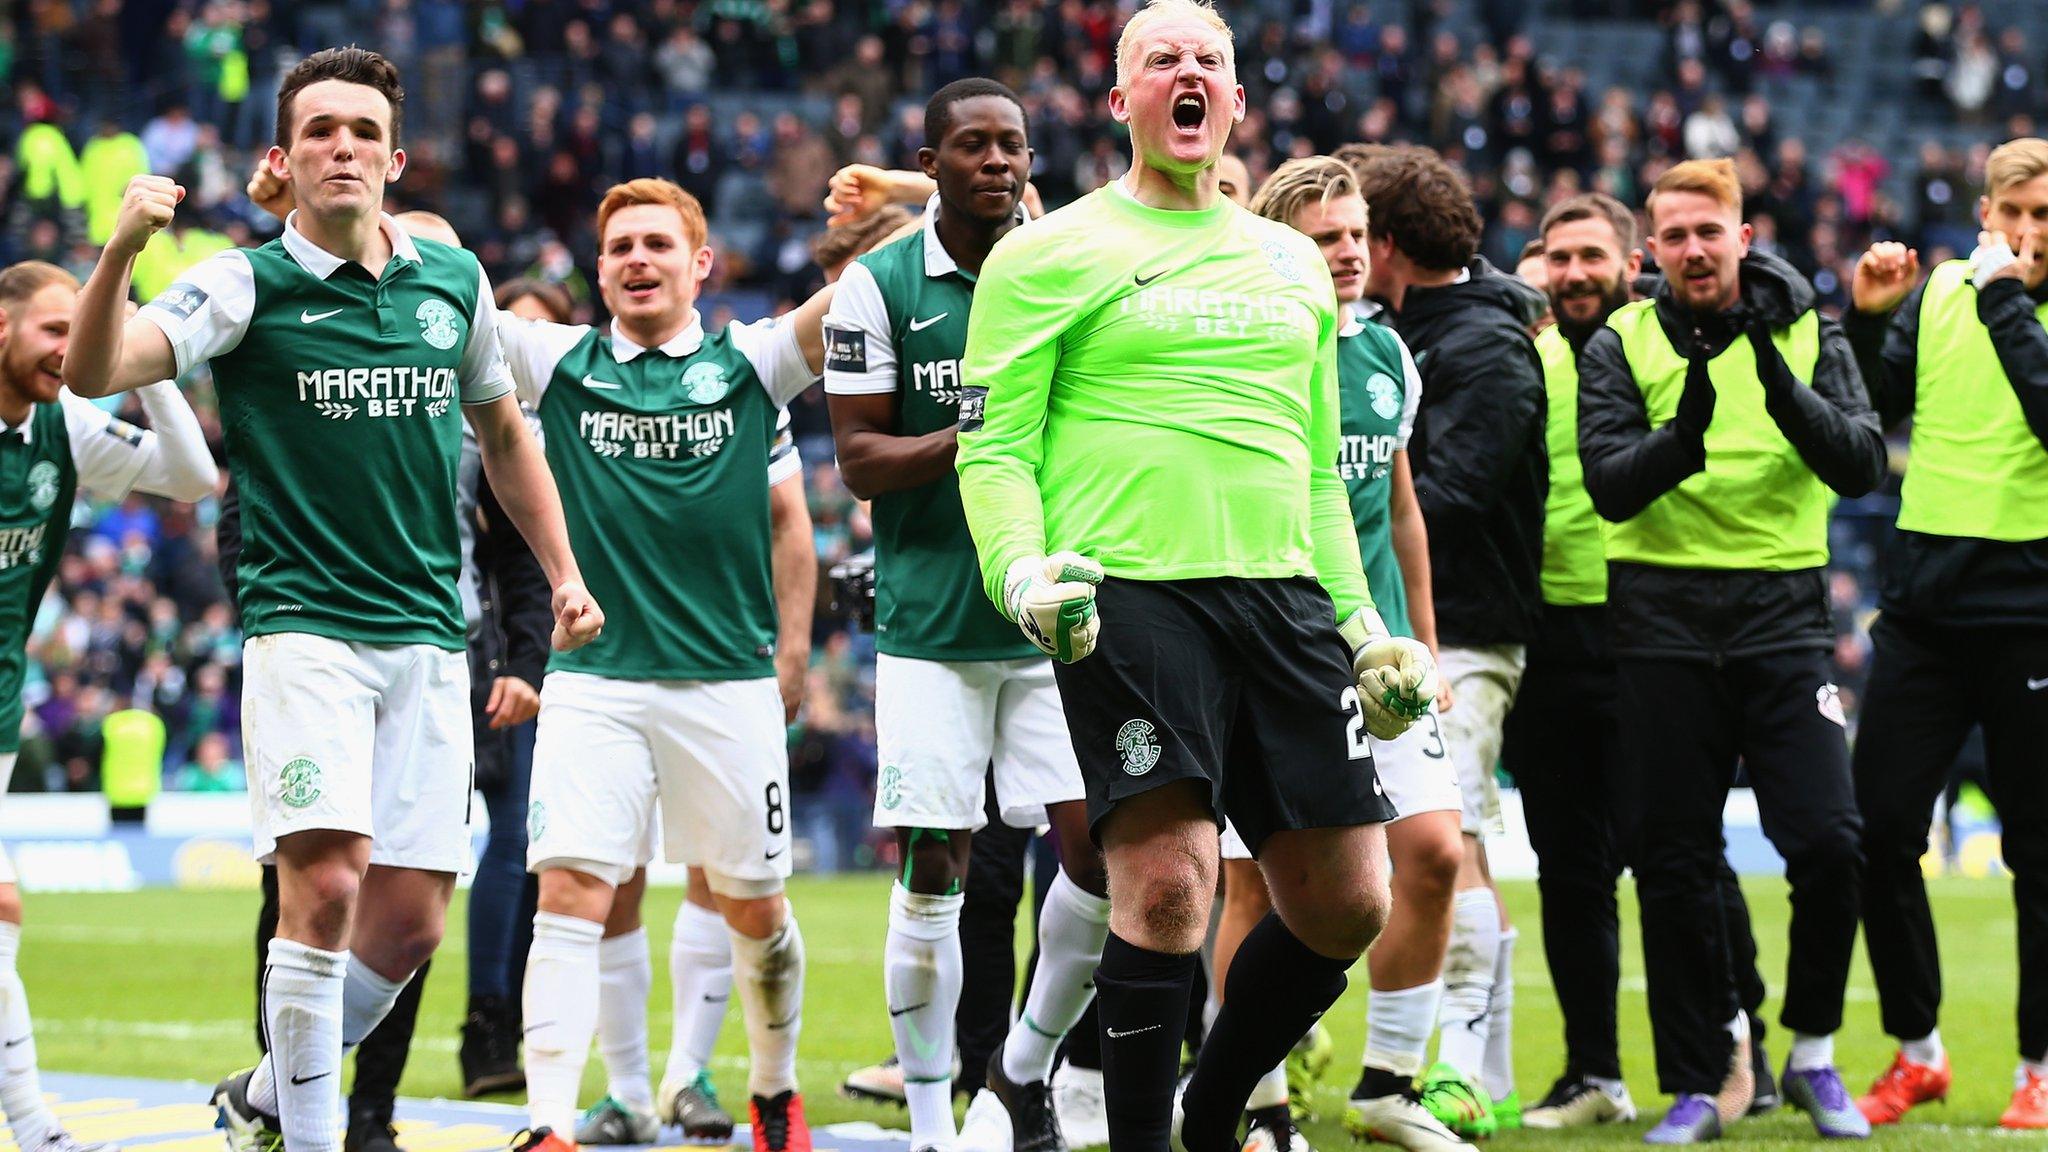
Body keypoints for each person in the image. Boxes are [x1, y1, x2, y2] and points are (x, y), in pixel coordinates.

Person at [65, 47, 602, 1152]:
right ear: (284, 157)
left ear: (394, 158)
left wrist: (563, 574)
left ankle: (262, 1096)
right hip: (303, 629)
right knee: (324, 886)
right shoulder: (240, 284)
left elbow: (505, 438)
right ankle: (309, 1139)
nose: (342, 146)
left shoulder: (454, 289)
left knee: (408, 923)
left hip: (428, 635)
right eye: (320, 131)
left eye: (363, 130)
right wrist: (122, 245)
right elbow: (94, 370)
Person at [955, 3, 1436, 1147]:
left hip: (1282, 599)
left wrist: (1364, 625)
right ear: (1119, 103)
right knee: (1168, 889)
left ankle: (1209, 1110)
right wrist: (1020, 574)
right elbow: (994, 448)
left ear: (1231, 100)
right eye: (1159, 60)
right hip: (1128, 594)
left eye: (1206, 63)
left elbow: (1319, 471)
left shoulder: (1287, 263)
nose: (1187, 76)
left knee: (1346, 901)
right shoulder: (1043, 252)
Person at [494, 176, 827, 1152]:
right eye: (619, 248)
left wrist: (907, 198)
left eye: (657, 244)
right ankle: (548, 1122)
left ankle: (771, 1090)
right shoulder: (556, 362)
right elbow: (439, 285)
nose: (637, 260)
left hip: (726, 683)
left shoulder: (751, 365)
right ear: (597, 272)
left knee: (753, 906)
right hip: (594, 682)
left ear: (701, 265)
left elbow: (852, 300)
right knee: (569, 893)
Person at [823, 76, 1112, 1152]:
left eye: (1014, 147)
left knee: (1096, 860)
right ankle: (933, 1122)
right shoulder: (877, 286)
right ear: (934, 159)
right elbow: (856, 462)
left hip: (1054, 624)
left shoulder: (1057, 270)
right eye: (974, 148)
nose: (998, 163)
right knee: (934, 861)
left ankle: (1016, 1076)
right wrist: (978, 434)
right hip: (934, 631)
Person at [1577, 157, 1886, 1144]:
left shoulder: (1807, 328)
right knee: (1669, 862)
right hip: (1658, 623)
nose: (1692, 249)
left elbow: (1857, 461)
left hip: (1780, 619)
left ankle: (1811, 1054)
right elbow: (1610, 486)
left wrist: (1773, 381)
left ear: (1742, 237)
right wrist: (1686, 435)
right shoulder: (1619, 340)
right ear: (1649, 251)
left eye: (1708, 230)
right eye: (1672, 235)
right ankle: (1698, 1083)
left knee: (1832, 842)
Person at [1509, 193, 1777, 1132]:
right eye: (1557, 258)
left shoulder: (1652, 348)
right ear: (1540, 268)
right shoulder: (1528, 357)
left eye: (1592, 256)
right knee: (1567, 865)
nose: (1573, 272)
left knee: (1679, 852)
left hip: (1644, 626)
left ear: (1634, 264)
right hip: (1544, 637)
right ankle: (1594, 1071)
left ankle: (1740, 1042)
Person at [1240, 157, 1468, 1152]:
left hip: (1379, 655)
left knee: (1432, 855)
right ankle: (1257, 1104)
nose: (1342, 254)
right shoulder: (1245, 352)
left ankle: (1386, 1086)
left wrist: (1424, 638)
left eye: (1351, 234)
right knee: (1249, 886)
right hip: (1277, 650)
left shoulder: (1386, 354)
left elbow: (1401, 506)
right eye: (1319, 237)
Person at [1845, 136, 2048, 1132]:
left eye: (2043, 218)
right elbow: (1876, 414)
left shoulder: (2006, 300)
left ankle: (2038, 1066)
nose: (2024, 234)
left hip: (2031, 616)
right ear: (1983, 215)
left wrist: (2005, 299)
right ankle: (1916, 1052)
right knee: (1874, 830)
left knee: (2040, 854)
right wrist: (1865, 317)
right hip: (1923, 612)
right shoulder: (1934, 294)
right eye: (2011, 215)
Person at [1347, 144, 1547, 1141]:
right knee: (1444, 846)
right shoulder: (1415, 330)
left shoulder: (1484, 345)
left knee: (1448, 843)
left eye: (1352, 235)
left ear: (1384, 244)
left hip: (1460, 630)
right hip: (1401, 629)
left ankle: (1459, 1072)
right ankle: (1484, 1070)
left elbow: (1453, 495)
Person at [0, 259, 216, 1152]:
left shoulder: (65, 422)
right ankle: (38, 1126)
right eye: (55, 329)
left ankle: (35, 1125)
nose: (69, 346)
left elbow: (193, 476)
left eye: (81, 328)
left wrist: (143, 359)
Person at [459, 276, 569, 1102]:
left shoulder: (577, 425)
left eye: (542, 333)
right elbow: (514, 571)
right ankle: (489, 1019)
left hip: (580, 658)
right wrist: (517, 664)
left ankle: (532, 1022)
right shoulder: (479, 436)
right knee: (512, 836)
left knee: (555, 849)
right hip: (509, 657)